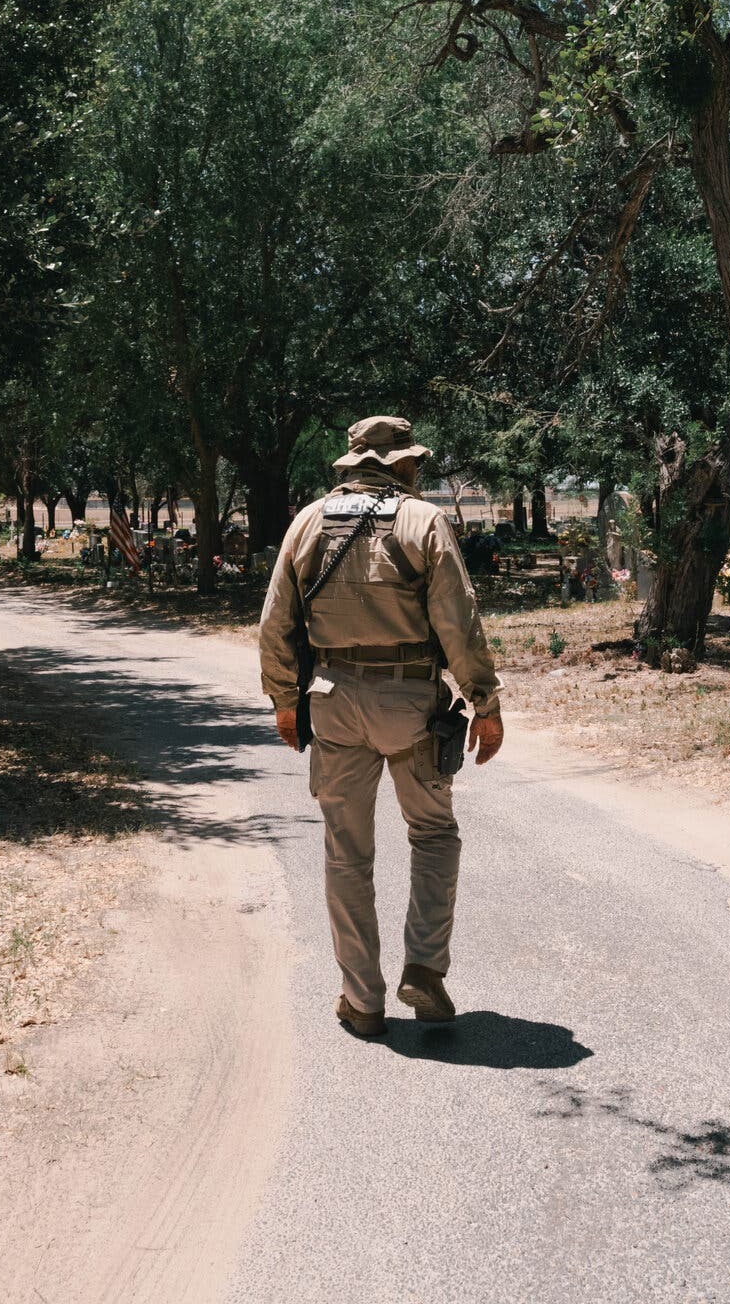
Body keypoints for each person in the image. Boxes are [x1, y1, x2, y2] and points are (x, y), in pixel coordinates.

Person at [257, 415, 504, 1038]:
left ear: (354, 463)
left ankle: (361, 999)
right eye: (413, 461)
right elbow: (458, 620)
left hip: (332, 698)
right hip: (411, 703)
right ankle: (423, 967)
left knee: (346, 854)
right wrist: (484, 701)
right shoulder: (424, 521)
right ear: (399, 464)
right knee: (434, 834)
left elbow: (275, 624)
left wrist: (286, 701)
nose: (417, 469)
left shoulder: (307, 522)